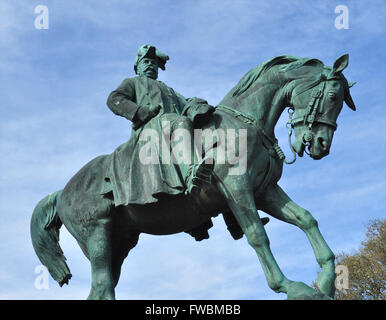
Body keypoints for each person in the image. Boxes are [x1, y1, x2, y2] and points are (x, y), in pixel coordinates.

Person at [101, 45, 214, 206]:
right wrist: (141, 112)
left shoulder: (169, 90)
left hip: (172, 127)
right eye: (145, 61)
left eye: (153, 63)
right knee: (182, 122)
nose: (150, 65)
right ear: (137, 67)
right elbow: (114, 99)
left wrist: (197, 104)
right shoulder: (132, 82)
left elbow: (185, 104)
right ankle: (191, 174)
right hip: (151, 127)